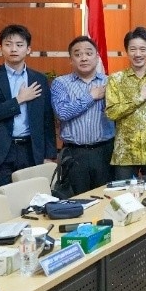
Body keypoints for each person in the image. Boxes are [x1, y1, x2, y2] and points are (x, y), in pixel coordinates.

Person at [0, 24, 57, 195]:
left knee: (31, 200)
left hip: (30, 150)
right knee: (0, 202)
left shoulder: (39, 78)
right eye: (8, 44)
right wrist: (18, 100)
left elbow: (46, 119)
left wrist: (50, 154)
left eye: (19, 45)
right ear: (1, 48)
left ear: (28, 49)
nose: (13, 49)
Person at [50, 36, 115, 196]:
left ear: (97, 56)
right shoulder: (61, 83)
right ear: (71, 60)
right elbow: (62, 113)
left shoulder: (111, 82)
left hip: (104, 151)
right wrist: (91, 96)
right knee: (78, 201)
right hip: (74, 153)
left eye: (88, 53)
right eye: (78, 54)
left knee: (105, 198)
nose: (84, 58)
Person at [105, 26, 146, 181]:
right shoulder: (115, 79)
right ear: (127, 51)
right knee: (124, 200)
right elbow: (111, 113)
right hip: (125, 152)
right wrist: (141, 97)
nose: (137, 54)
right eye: (133, 49)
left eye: (142, 49)